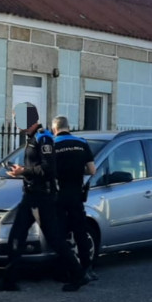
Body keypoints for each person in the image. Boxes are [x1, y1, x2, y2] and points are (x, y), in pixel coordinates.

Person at [0, 103, 87, 293]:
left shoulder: (44, 138)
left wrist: (23, 171)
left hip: (43, 197)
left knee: (55, 239)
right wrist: (21, 172)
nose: (15, 122)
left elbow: (48, 169)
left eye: (18, 118)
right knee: (16, 236)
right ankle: (9, 280)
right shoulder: (32, 138)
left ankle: (78, 274)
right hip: (30, 195)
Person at [52, 115, 98, 288]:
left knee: (61, 234)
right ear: (68, 127)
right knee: (80, 232)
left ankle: (64, 271)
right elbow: (92, 170)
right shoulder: (82, 143)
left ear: (55, 129)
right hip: (76, 194)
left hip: (59, 195)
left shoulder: (53, 145)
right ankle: (87, 269)